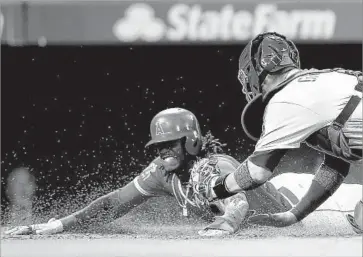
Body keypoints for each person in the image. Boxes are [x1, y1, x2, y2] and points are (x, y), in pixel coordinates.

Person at [4, 108, 296, 237]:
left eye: (170, 144)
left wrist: (226, 226)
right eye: (159, 146)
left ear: (191, 142)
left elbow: (238, 202)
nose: (162, 151)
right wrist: (59, 225)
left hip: (299, 201)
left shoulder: (216, 166)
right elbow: (112, 204)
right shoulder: (161, 173)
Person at [198, 32, 362, 230]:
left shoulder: (284, 99)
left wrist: (215, 187)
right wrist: (294, 215)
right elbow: (337, 165)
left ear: (256, 68)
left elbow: (256, 172)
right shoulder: (325, 80)